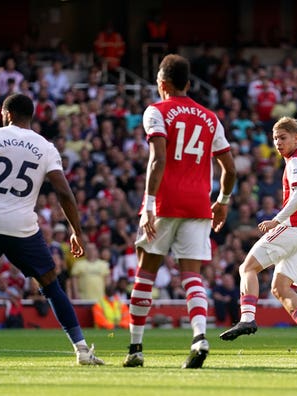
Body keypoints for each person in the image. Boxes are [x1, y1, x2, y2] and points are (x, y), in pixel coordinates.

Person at [0, 93, 104, 367]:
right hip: (22, 227)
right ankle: (81, 350)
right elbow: (64, 192)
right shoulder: (46, 147)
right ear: (30, 116)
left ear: (6, 113)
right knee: (52, 285)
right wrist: (76, 230)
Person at [123, 54, 236, 369]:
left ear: (162, 84)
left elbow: (158, 159)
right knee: (192, 275)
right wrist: (223, 200)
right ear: (188, 83)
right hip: (199, 204)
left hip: (165, 203)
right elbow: (229, 167)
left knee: (146, 273)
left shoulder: (156, 111)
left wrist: (147, 206)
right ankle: (200, 337)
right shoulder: (210, 118)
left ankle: (135, 348)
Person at [220, 116, 297, 353]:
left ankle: (247, 319)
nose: (278, 143)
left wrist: (277, 219)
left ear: (296, 138)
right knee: (280, 287)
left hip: (293, 228)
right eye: (275, 138)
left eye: (283, 138)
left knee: (247, 268)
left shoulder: (296, 162)